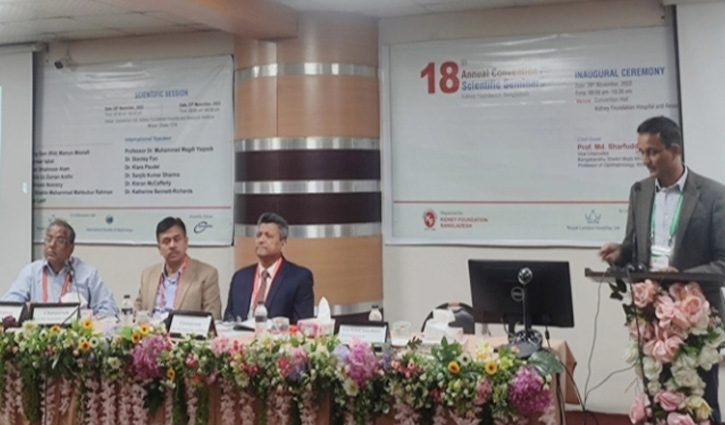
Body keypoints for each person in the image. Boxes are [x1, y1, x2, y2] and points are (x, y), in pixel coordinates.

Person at [599, 116, 725, 424]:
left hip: (697, 322)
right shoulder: (639, 192)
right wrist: (620, 253)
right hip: (652, 318)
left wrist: (680, 276)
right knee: (657, 402)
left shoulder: (713, 195)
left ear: (675, 150)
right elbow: (634, 247)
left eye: (653, 152)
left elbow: (723, 262)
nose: (646, 160)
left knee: (702, 404)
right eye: (642, 152)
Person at [2, 219, 118, 317]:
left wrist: (91, 320)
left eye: (60, 241)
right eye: (48, 239)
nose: (52, 245)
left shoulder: (88, 274)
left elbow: (109, 308)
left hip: (75, 334)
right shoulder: (31, 272)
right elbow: (8, 305)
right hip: (38, 333)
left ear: (71, 248)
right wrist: (25, 309)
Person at [224, 212, 314, 324]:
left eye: (268, 236)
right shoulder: (240, 277)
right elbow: (228, 319)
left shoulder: (299, 278)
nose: (261, 240)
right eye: (259, 235)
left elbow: (302, 325)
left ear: (283, 243)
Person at [135, 217, 222, 320]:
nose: (172, 245)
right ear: (159, 248)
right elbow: (136, 310)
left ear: (186, 243)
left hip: (183, 329)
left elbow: (213, 318)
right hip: (150, 329)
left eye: (177, 239)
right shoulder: (148, 275)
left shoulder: (207, 274)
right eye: (166, 241)